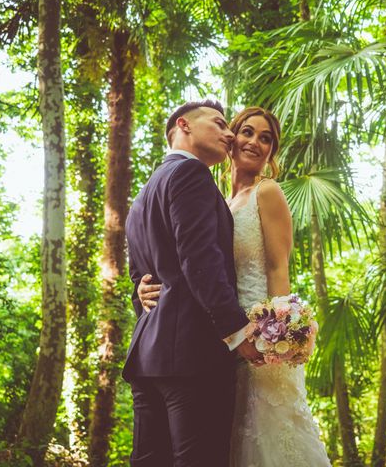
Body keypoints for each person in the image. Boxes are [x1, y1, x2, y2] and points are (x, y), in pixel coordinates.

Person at [138, 107, 331, 466]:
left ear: (272, 152)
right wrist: (143, 286)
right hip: (220, 338)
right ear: (231, 139)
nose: (254, 142)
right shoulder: (219, 199)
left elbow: (277, 267)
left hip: (257, 337)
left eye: (266, 138)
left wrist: (279, 334)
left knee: (270, 434)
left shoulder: (268, 191)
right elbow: (190, 257)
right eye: (246, 132)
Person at [122, 100, 263, 467]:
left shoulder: (143, 194)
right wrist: (237, 332)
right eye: (219, 123)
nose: (229, 133)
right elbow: (200, 260)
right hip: (193, 356)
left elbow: (140, 276)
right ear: (183, 125)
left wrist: (143, 298)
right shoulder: (192, 175)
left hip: (148, 356)